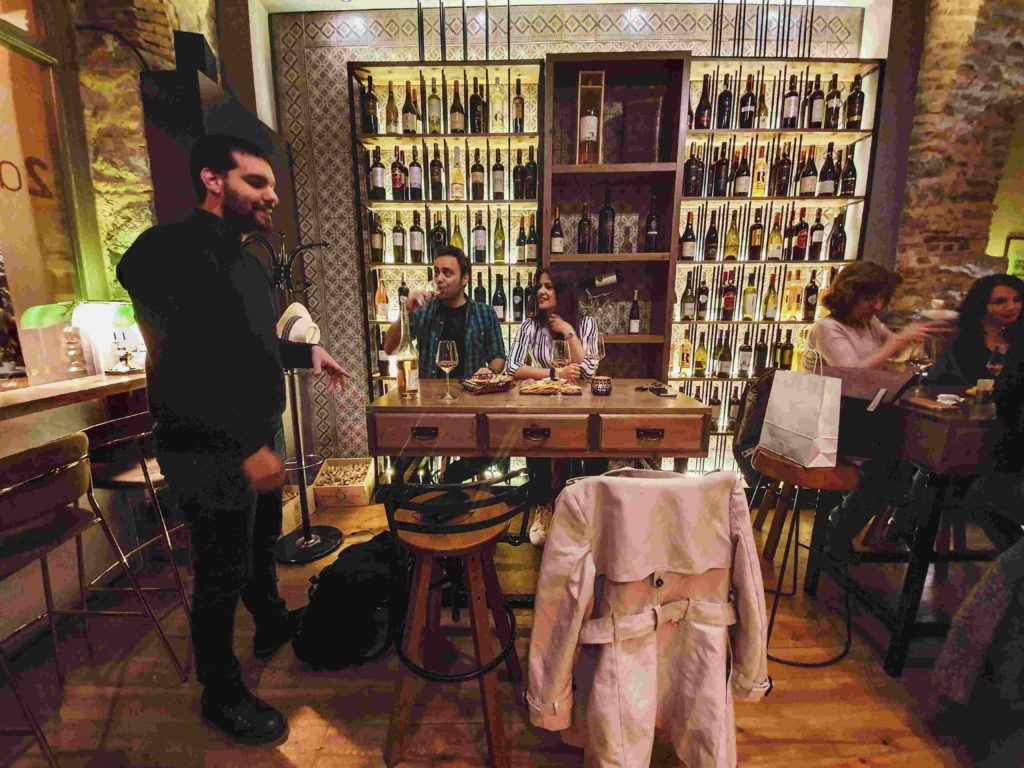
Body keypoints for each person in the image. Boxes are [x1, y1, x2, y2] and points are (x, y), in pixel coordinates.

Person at [117, 134, 351, 745]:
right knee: (220, 572)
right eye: (256, 182)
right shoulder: (170, 250)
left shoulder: (246, 262)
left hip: (254, 435)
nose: (272, 196)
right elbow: (187, 359)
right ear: (212, 180)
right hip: (209, 446)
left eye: (271, 184)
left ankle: (270, 621)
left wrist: (306, 353)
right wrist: (247, 445)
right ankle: (220, 693)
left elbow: (250, 344)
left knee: (259, 544)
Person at [803, 262, 947, 557]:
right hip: (825, 422)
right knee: (898, 460)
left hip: (860, 417)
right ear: (849, 294)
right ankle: (850, 526)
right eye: (871, 298)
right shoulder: (827, 328)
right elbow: (854, 372)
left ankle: (858, 525)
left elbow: (895, 352)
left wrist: (913, 339)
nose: (878, 306)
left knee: (908, 458)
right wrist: (900, 341)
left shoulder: (869, 324)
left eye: (882, 299)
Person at [384, 244, 506, 483]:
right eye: (437, 272)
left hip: (471, 403)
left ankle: (450, 479)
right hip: (428, 404)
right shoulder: (424, 310)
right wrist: (405, 312)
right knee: (397, 450)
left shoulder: (485, 313)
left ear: (465, 278)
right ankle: (414, 496)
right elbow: (389, 348)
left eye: (447, 273)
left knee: (500, 442)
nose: (439, 279)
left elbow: (498, 355)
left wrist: (490, 370)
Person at [505, 268, 603, 544]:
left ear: (563, 290)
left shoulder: (586, 325)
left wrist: (568, 331)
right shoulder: (530, 326)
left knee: (582, 453)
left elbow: (588, 371)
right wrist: (553, 374)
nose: (540, 291)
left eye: (548, 286)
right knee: (535, 443)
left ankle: (575, 515)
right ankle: (544, 507)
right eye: (539, 286)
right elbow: (512, 367)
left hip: (577, 406)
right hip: (541, 402)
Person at [929, 274, 1024, 386]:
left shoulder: (1018, 333)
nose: (1011, 307)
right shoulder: (959, 335)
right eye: (1000, 302)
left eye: (1017, 300)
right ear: (981, 304)